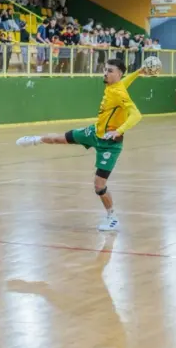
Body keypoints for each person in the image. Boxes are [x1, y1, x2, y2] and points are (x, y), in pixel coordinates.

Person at [16, 59, 145, 231]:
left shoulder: (119, 93)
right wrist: (138, 72)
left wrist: (119, 130)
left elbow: (136, 115)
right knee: (60, 138)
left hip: (109, 145)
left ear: (119, 74)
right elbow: (124, 83)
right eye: (105, 69)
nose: (105, 73)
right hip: (94, 132)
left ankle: (112, 218)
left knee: (99, 186)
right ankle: (35, 139)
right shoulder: (115, 85)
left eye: (110, 70)